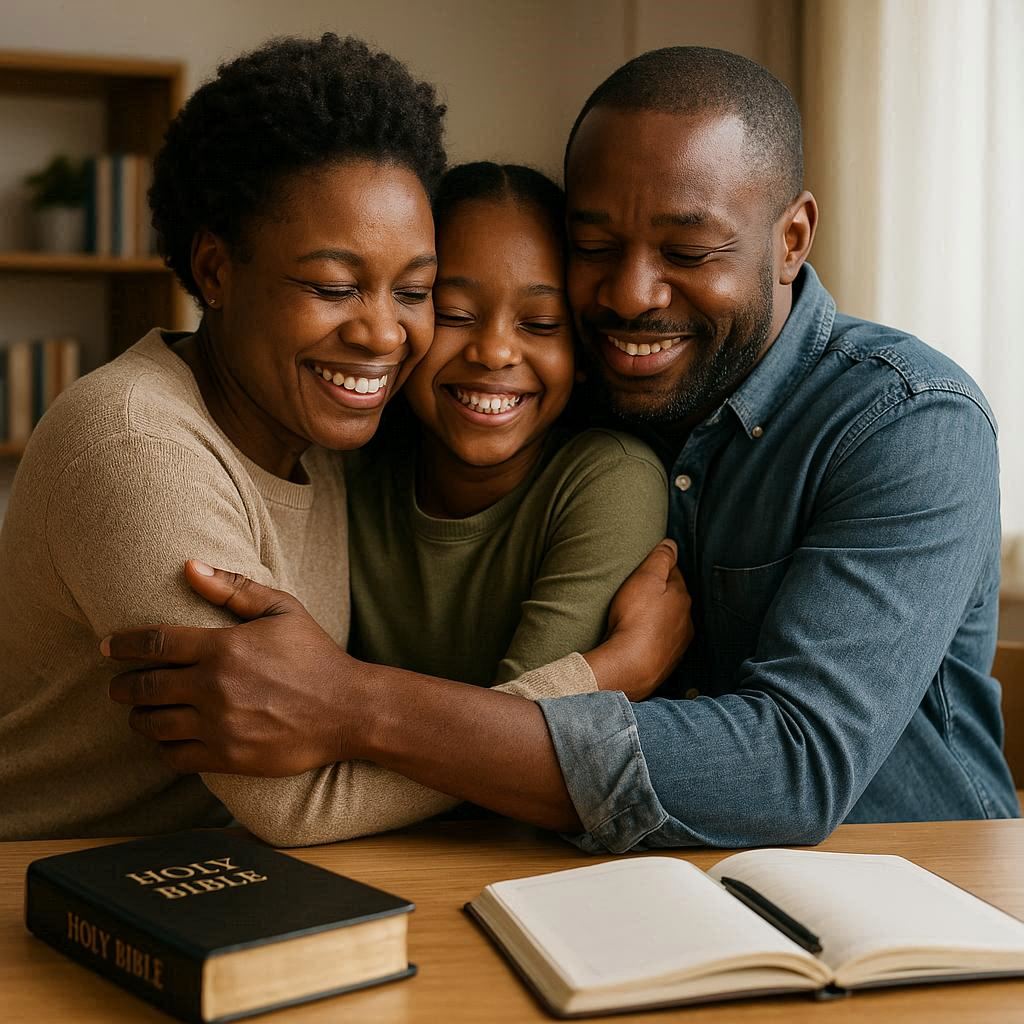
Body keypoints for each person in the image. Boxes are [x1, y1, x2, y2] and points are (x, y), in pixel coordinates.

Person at [107, 46, 1019, 850]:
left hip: (913, 892)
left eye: (688, 252)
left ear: (790, 239)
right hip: (620, 889)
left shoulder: (908, 419)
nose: (629, 294)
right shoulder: (583, 397)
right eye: (594, 245)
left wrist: (350, 704)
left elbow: (793, 767)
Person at [0, 34, 688, 841]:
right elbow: (298, 799)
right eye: (333, 286)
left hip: (218, 874)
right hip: (38, 887)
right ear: (216, 272)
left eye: (415, 291)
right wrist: (611, 675)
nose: (383, 334)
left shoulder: (321, 437)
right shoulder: (136, 446)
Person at [347, 161, 667, 686]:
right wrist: (616, 671)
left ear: (584, 351)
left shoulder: (611, 480)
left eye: (539, 324)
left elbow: (523, 739)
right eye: (452, 314)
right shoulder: (348, 470)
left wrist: (335, 711)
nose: (494, 352)